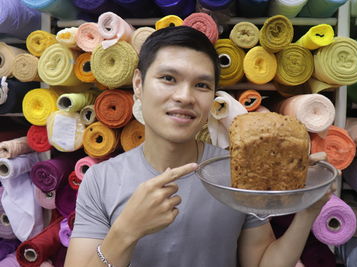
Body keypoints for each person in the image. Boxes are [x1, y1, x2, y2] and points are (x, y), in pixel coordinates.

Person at [65, 26, 332, 267]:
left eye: (201, 85)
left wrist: (308, 210)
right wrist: (126, 231)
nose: (184, 96)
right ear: (138, 84)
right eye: (168, 78)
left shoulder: (236, 175)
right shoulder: (100, 180)